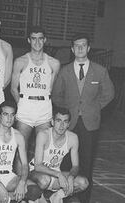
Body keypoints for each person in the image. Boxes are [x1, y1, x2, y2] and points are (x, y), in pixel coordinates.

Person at [52, 33, 114, 203]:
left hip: (90, 124)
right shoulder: (64, 71)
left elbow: (109, 94)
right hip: (68, 124)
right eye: (76, 46)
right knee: (65, 163)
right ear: (72, 49)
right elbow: (56, 95)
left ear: (88, 48)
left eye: (83, 45)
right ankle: (63, 197)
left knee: (86, 163)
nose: (80, 48)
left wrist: (93, 108)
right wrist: (69, 110)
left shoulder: (100, 71)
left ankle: (84, 199)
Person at [10, 26, 60, 154]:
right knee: (21, 147)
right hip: (25, 107)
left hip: (44, 108)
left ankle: (41, 174)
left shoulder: (54, 63)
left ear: (45, 40)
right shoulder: (20, 61)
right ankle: (21, 174)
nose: (37, 42)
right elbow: (13, 89)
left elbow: (51, 88)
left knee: (43, 147)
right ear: (28, 40)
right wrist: (21, 104)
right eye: (33, 39)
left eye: (40, 39)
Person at [0, 101, 41, 203]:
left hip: (9, 176)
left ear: (15, 117)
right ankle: (11, 198)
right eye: (5, 114)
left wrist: (22, 182)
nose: (9, 118)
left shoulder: (18, 136)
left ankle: (8, 198)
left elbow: (24, 164)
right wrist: (0, 185)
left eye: (12, 115)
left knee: (34, 190)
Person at [29, 106, 89, 203]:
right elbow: (38, 166)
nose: (61, 125)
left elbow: (75, 166)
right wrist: (59, 175)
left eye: (65, 122)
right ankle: (37, 197)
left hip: (55, 174)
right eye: (58, 121)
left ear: (68, 124)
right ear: (52, 122)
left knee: (83, 183)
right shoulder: (43, 135)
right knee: (44, 180)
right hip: (36, 173)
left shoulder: (73, 138)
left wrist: (71, 177)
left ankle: (56, 197)